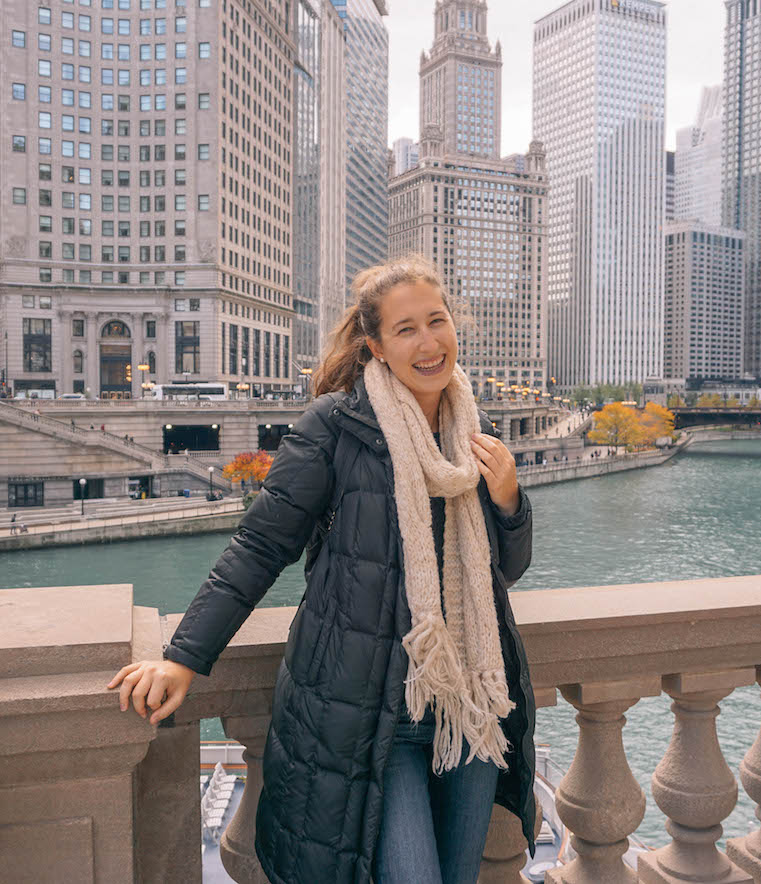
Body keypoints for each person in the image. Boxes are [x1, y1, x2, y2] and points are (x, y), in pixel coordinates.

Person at [108, 256, 537, 884]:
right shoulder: (334, 427)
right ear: (377, 348)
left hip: (469, 708)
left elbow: (507, 573)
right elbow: (259, 547)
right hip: (369, 714)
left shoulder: (475, 432)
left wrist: (508, 501)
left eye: (436, 321)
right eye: (406, 329)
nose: (428, 342)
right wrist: (183, 657)